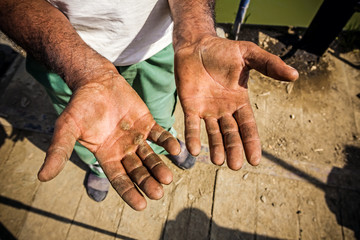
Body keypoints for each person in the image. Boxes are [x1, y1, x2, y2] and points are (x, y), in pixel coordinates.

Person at [0, 0, 298, 211]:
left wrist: (195, 34)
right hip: (62, 54)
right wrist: (86, 73)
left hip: (159, 42)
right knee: (91, 131)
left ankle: (163, 143)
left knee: (158, 111)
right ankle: (100, 168)